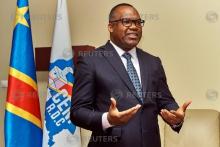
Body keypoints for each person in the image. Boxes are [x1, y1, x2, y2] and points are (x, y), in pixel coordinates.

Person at [70, 3, 191, 147]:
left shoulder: (153, 62)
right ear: (110, 27)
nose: (134, 27)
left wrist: (175, 116)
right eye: (126, 22)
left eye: (138, 22)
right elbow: (78, 112)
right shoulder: (91, 61)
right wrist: (107, 119)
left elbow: (164, 100)